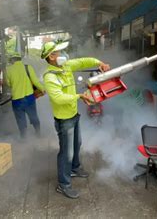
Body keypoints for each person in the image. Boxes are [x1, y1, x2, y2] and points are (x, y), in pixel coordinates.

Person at [41, 39, 110, 199]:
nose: (63, 54)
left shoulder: (66, 66)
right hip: (64, 120)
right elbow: (58, 98)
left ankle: (75, 168)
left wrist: (100, 63)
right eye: (59, 52)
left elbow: (84, 61)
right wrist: (79, 96)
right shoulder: (49, 77)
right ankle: (63, 184)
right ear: (52, 56)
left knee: (77, 143)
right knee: (66, 153)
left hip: (73, 115)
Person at [5, 53, 45, 138]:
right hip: (29, 98)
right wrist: (42, 89)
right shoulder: (27, 67)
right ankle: (38, 134)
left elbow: (8, 84)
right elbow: (35, 81)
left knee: (20, 120)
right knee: (33, 116)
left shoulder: (8, 70)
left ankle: (24, 138)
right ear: (20, 59)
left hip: (17, 100)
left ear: (12, 60)